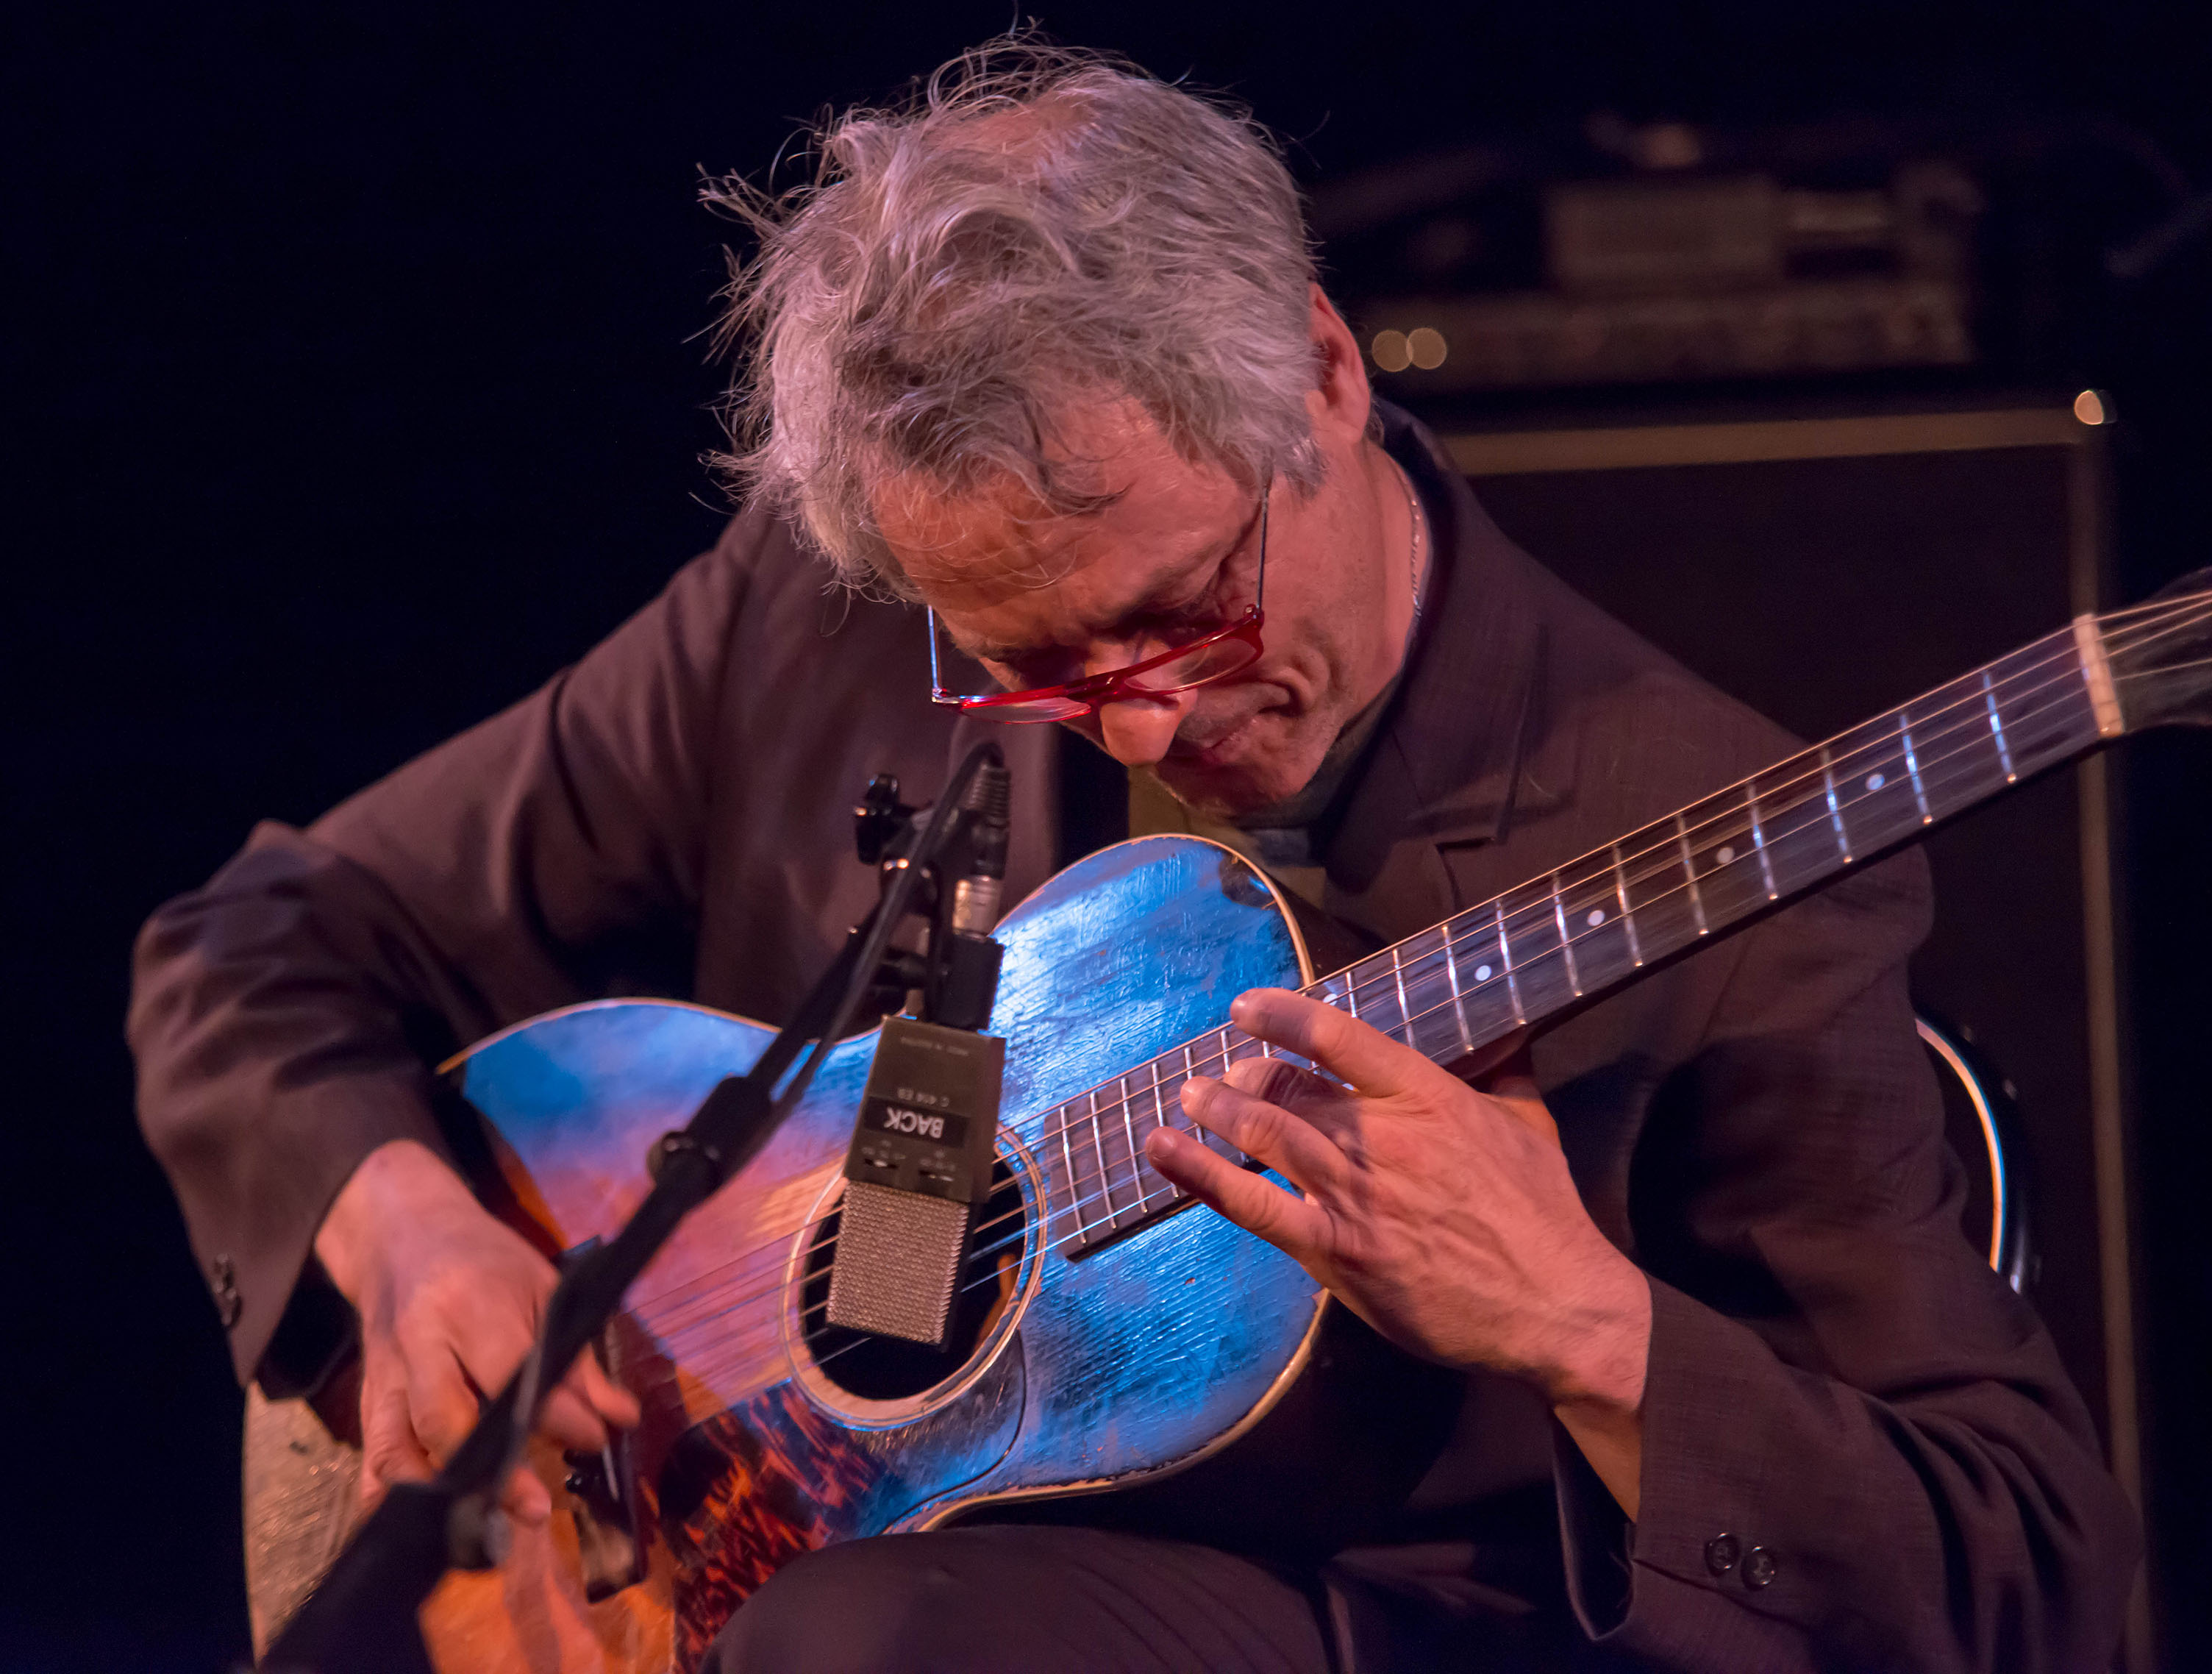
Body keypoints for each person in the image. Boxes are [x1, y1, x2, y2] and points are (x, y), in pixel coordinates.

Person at [130, 40, 2137, 1673]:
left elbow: (2037, 1580)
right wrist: (403, 1225)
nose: (1149, 721)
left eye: (1192, 609)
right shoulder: (826, 617)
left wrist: (1586, 1322)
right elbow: (255, 940)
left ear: (1327, 381)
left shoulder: (1687, 822)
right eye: (1036, 668)